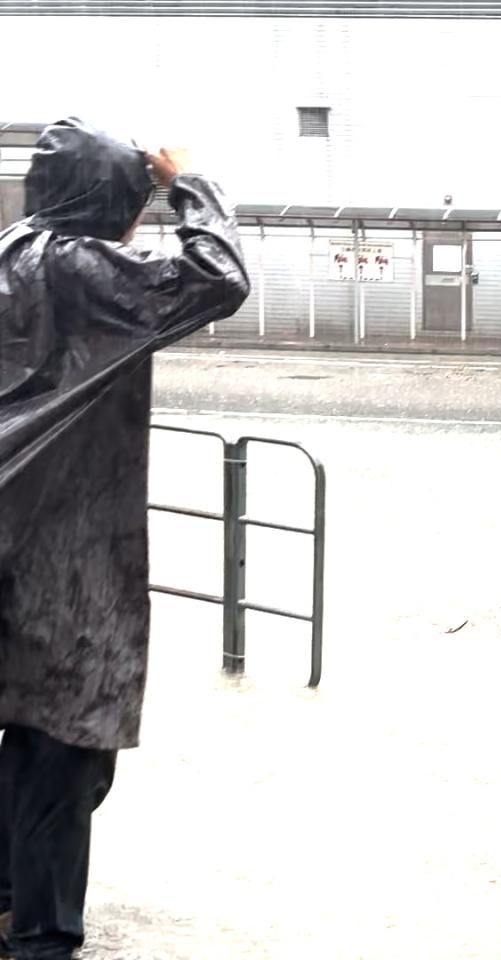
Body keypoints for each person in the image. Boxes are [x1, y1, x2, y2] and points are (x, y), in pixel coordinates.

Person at [0, 118, 250, 960]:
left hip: (21, 527)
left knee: (33, 731)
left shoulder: (11, 253)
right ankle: (43, 935)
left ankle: (8, 892)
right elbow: (218, 280)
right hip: (62, 544)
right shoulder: (79, 266)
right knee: (70, 740)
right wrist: (193, 185)